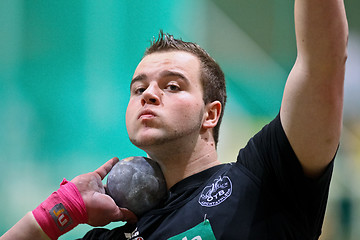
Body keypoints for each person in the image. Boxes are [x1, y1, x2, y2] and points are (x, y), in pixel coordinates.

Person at [1, 0, 348, 239]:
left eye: (171, 85)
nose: (148, 95)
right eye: (138, 89)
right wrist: (61, 210)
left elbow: (323, 60)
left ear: (211, 113)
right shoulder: (111, 236)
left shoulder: (262, 181)